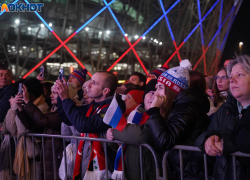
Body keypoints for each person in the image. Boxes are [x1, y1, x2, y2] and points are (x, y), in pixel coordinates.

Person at [146, 60, 210, 179]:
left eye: (160, 88)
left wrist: (154, 110)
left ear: (173, 90)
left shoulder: (186, 109)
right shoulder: (183, 106)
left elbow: (165, 141)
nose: (156, 93)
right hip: (184, 170)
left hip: (190, 173)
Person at [55, 71, 125, 179]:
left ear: (105, 90)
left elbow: (82, 125)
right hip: (88, 160)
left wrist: (66, 99)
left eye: (94, 83)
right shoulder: (95, 105)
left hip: (105, 166)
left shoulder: (113, 108)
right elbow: (68, 119)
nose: (88, 85)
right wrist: (61, 96)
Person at [195, 55, 250, 180]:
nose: (232, 80)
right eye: (231, 77)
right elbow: (207, 132)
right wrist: (208, 140)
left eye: (240, 75)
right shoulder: (225, 109)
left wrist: (227, 145)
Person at [106, 79, 158, 180]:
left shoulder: (159, 116)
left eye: (158, 93)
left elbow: (140, 135)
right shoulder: (133, 115)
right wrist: (109, 135)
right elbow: (116, 145)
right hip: (130, 170)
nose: (154, 97)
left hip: (149, 172)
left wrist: (115, 132)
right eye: (151, 92)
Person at [13, 78, 49, 180]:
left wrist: (20, 108)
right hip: (26, 156)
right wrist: (15, 107)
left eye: (24, 91)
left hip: (35, 156)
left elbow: (23, 129)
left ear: (30, 92)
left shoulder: (42, 107)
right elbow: (10, 127)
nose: (22, 93)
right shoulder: (27, 106)